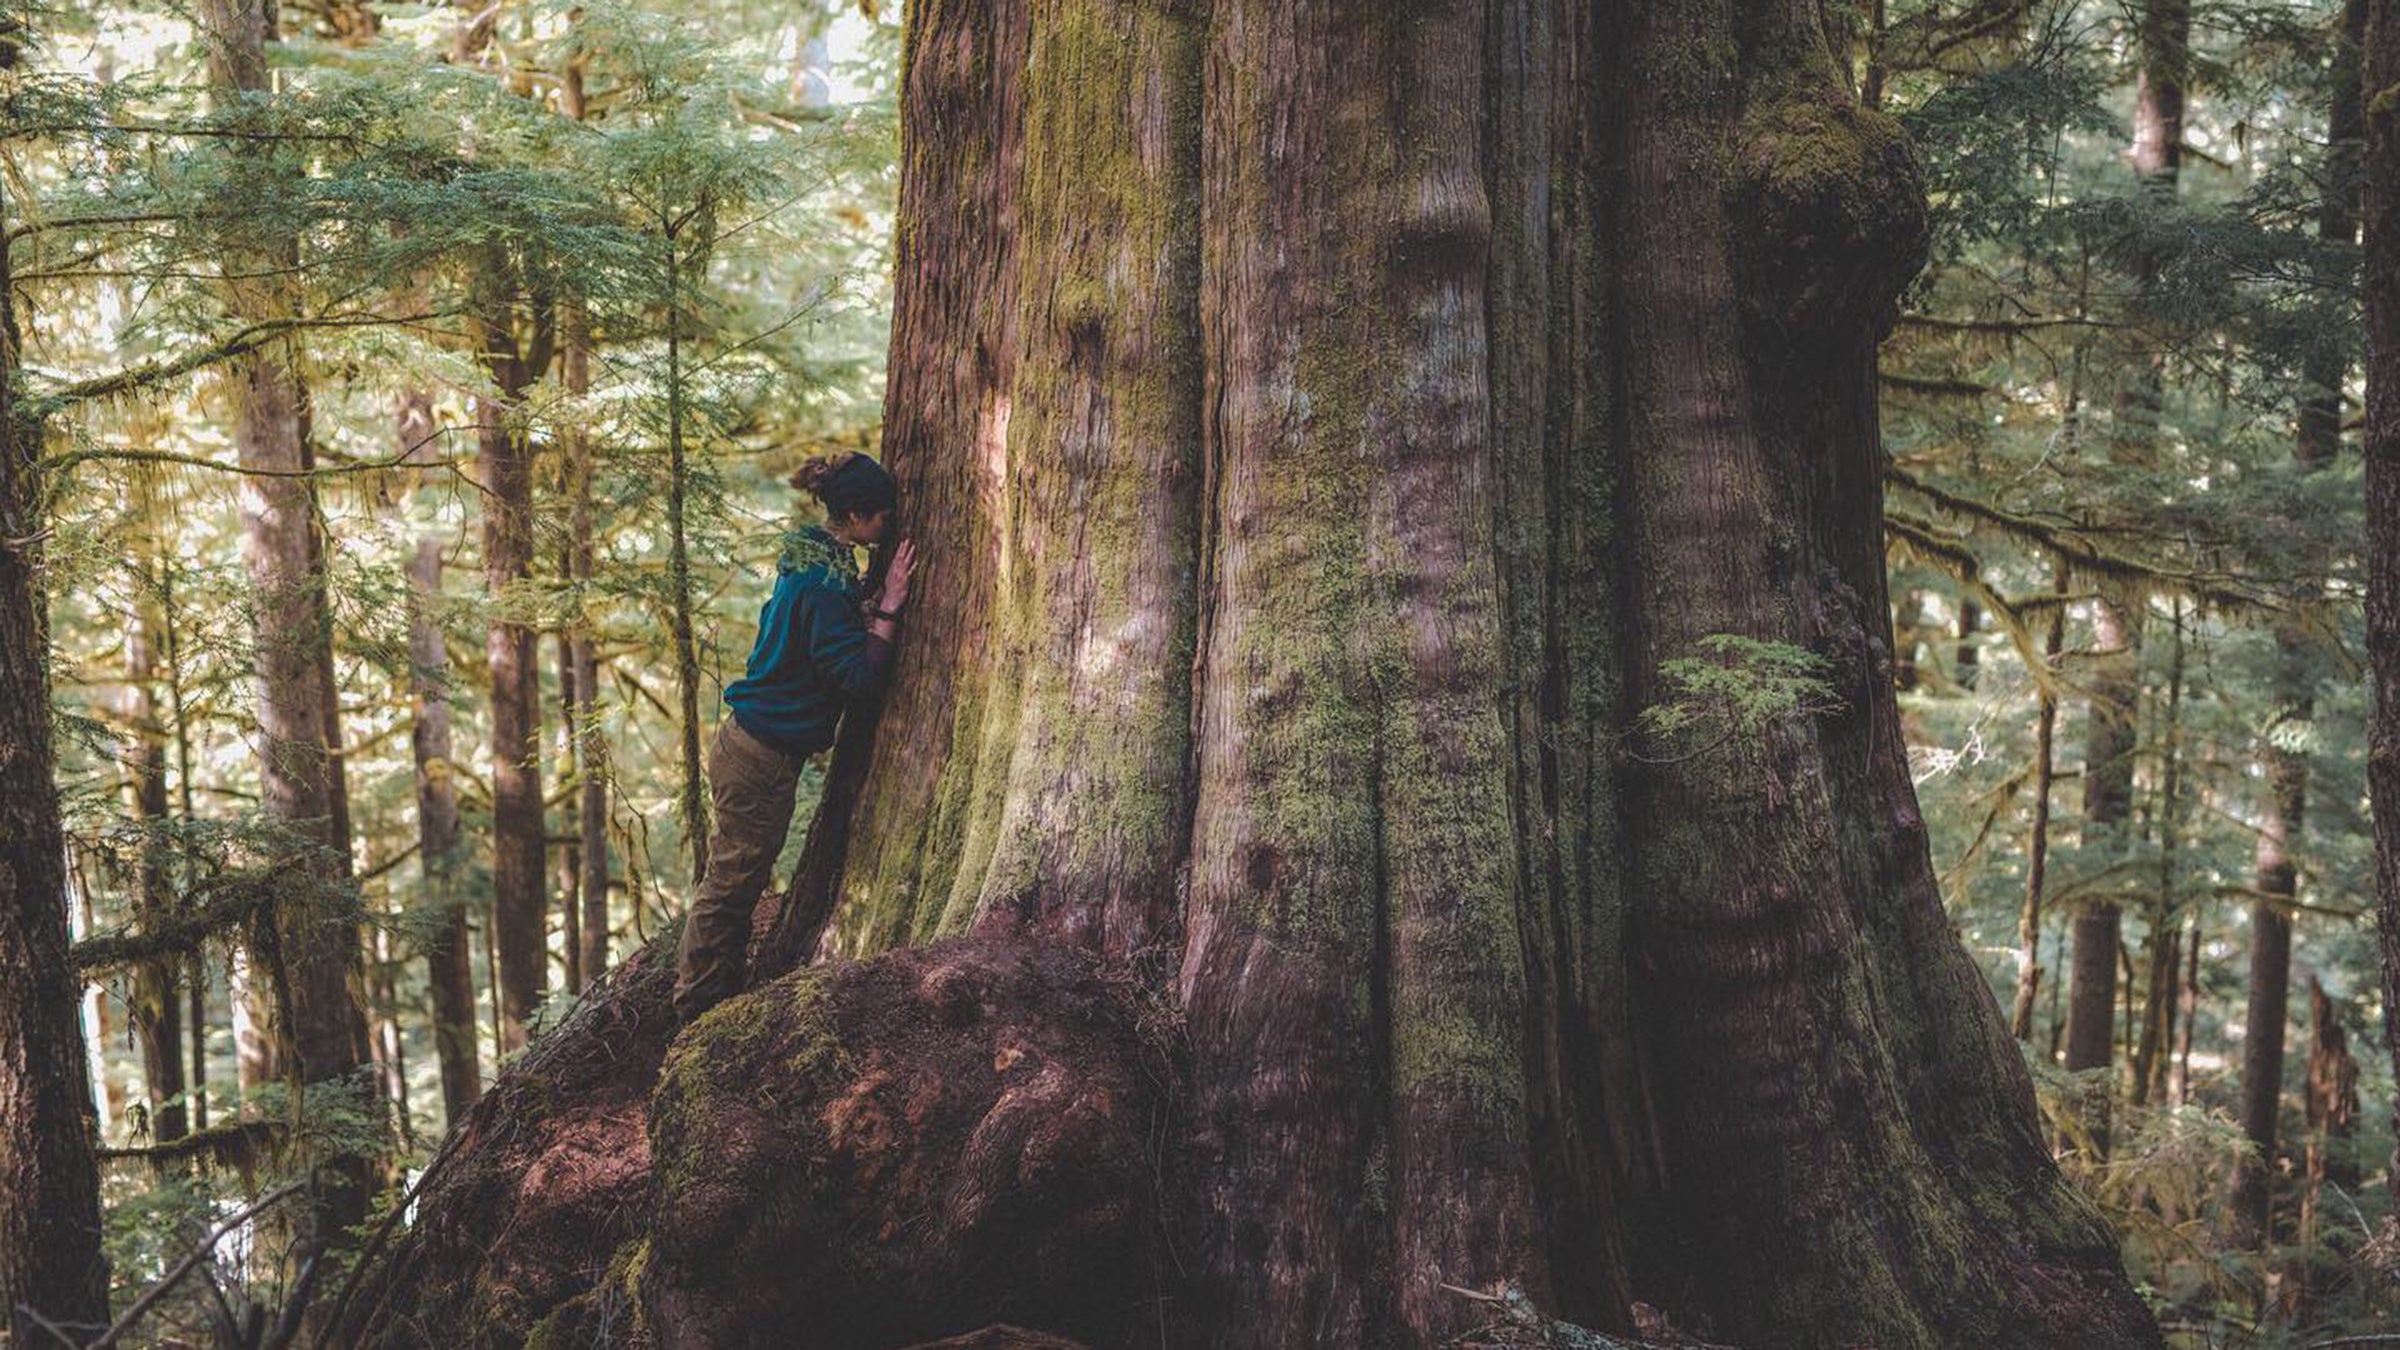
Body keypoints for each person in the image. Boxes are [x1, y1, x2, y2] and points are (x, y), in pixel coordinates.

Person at [671, 450, 915, 1022]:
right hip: (759, 757)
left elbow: (815, 631)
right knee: (730, 886)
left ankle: (714, 990)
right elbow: (857, 678)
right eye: (881, 516)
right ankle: (696, 1009)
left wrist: (863, 605)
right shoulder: (827, 582)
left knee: (735, 879)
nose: (888, 525)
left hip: (749, 745)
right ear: (854, 518)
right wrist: (890, 610)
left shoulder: (812, 556)